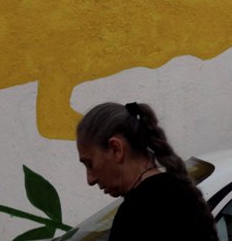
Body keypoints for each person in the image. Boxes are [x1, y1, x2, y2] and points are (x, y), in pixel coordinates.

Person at [76, 101, 219, 241]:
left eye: (89, 164)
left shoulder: (136, 213)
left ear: (116, 149)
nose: (90, 180)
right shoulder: (182, 192)